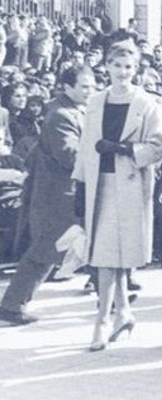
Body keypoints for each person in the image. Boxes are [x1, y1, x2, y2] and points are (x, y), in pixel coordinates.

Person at [72, 31, 162, 351]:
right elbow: (86, 147)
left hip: (128, 183)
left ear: (136, 68)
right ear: (107, 66)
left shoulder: (147, 104)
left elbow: (159, 146)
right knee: (102, 255)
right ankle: (113, 315)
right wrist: (80, 182)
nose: (122, 71)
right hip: (99, 184)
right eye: (116, 65)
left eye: (128, 66)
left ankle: (113, 315)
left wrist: (126, 149)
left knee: (120, 255)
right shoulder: (96, 102)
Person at [0, 65, 94, 325]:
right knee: (46, 250)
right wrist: (102, 152)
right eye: (84, 86)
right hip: (57, 196)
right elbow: (69, 156)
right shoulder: (61, 116)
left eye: (92, 85)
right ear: (66, 87)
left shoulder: (76, 111)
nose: (90, 91)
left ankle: (112, 295)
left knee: (70, 246)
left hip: (64, 192)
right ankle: (11, 305)